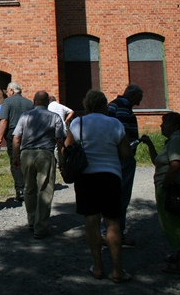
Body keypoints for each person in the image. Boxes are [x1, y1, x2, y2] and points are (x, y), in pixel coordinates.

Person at [64, 90, 133, 283]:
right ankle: (118, 270)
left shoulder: (79, 123)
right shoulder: (115, 124)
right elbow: (126, 153)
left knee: (91, 223)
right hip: (111, 176)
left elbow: (67, 147)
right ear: (104, 105)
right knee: (112, 223)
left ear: (86, 105)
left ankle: (98, 267)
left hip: (86, 178)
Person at [140, 112, 180, 275]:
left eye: (165, 123)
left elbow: (175, 164)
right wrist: (149, 144)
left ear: (175, 125)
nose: (161, 126)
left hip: (171, 187)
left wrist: (165, 183)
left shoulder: (176, 140)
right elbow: (158, 161)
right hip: (168, 186)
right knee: (169, 221)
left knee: (173, 223)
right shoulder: (171, 141)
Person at [11, 91, 65, 238]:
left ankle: (31, 220)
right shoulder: (55, 117)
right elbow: (60, 140)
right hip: (45, 154)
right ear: (47, 102)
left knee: (29, 188)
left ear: (34, 101)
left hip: (26, 153)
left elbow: (16, 138)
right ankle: (40, 227)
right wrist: (61, 160)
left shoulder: (25, 116)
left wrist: (15, 157)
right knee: (45, 189)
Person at [107, 84, 144, 246]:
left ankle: (111, 231)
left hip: (114, 156)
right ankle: (115, 233)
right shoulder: (122, 107)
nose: (139, 103)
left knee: (114, 195)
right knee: (121, 196)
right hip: (122, 157)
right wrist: (127, 150)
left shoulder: (114, 104)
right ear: (133, 96)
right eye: (138, 99)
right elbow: (122, 131)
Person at [0, 82, 34, 201]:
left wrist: (0, 137)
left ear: (12, 91)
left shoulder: (8, 102)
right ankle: (29, 187)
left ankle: (20, 189)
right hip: (28, 135)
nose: (7, 93)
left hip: (13, 134)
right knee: (27, 160)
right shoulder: (29, 103)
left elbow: (4, 120)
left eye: (7, 91)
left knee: (15, 160)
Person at [48, 95, 74, 163]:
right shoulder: (60, 106)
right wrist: (66, 120)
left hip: (52, 128)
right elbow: (71, 111)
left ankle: (56, 162)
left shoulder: (48, 107)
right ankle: (63, 160)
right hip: (62, 128)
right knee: (62, 146)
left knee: (55, 147)